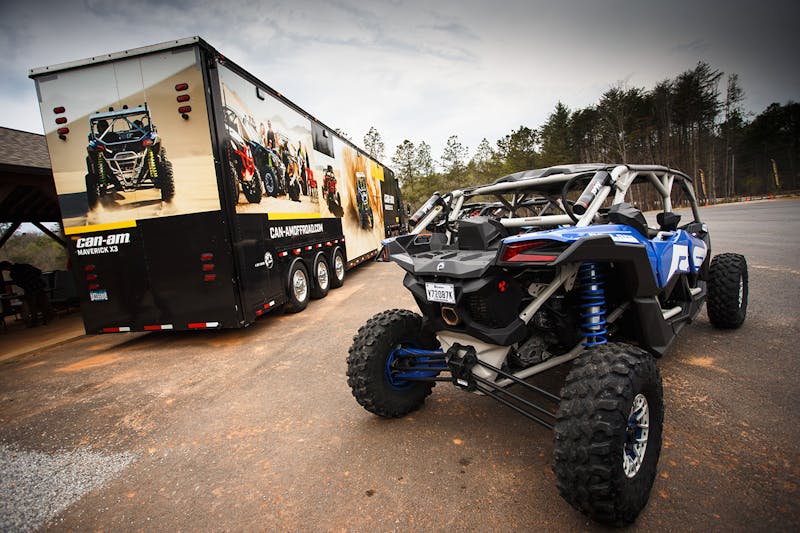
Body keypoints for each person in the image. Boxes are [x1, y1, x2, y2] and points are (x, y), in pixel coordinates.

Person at [0, 261, 54, 327]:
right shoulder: (25, 266)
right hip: (39, 286)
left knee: (32, 306)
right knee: (43, 303)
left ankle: (35, 322)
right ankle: (46, 319)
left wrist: (27, 284)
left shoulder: (13, 274)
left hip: (30, 289)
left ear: (6, 267)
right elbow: (38, 272)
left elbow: (19, 283)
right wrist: (34, 280)